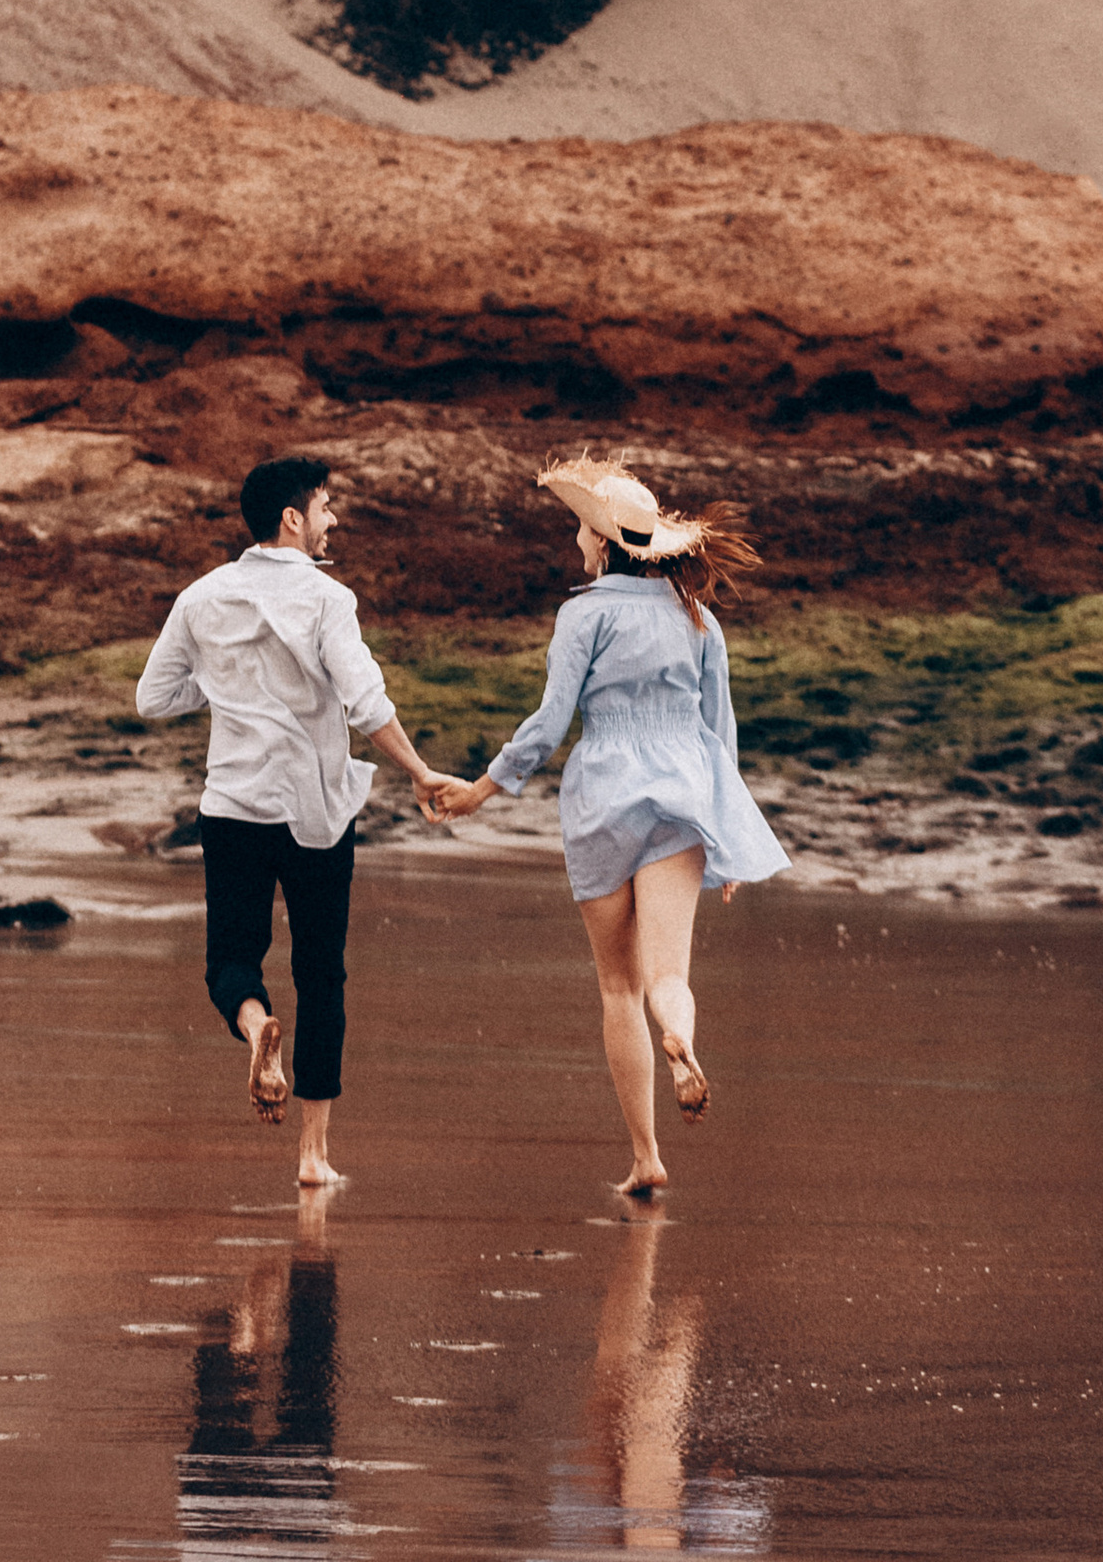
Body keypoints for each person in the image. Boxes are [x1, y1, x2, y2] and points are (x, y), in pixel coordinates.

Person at [431, 456, 786, 1197]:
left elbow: (550, 721)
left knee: (616, 989)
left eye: (580, 531)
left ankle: (646, 1157)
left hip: (600, 803)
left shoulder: (583, 615)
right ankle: (680, 1039)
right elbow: (721, 735)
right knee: (666, 976)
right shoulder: (699, 619)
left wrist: (483, 791)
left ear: (600, 542)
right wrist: (731, 843)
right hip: (684, 799)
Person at [136, 451, 445, 1189]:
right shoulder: (327, 600)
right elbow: (366, 701)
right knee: (321, 975)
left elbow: (153, 697)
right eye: (327, 506)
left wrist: (225, 692)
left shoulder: (201, 597)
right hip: (316, 811)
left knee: (231, 958)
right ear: (292, 518)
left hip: (235, 805)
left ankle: (253, 1029)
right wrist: (419, 771)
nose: (333, 520)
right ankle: (313, 1156)